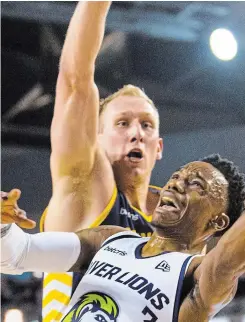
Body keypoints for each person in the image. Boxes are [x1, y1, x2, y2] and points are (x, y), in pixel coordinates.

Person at [2, 107, 245, 321]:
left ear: (217, 222)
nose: (175, 185)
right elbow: (19, 255)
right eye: (176, 177)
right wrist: (3, 227)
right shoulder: (111, 240)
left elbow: (226, 262)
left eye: (194, 185)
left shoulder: (194, 277)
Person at [38, 2, 163, 320]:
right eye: (122, 123)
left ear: (158, 146)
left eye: (146, 125)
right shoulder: (83, 187)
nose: (136, 132)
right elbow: (75, 83)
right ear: (97, 138)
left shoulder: (176, 218)